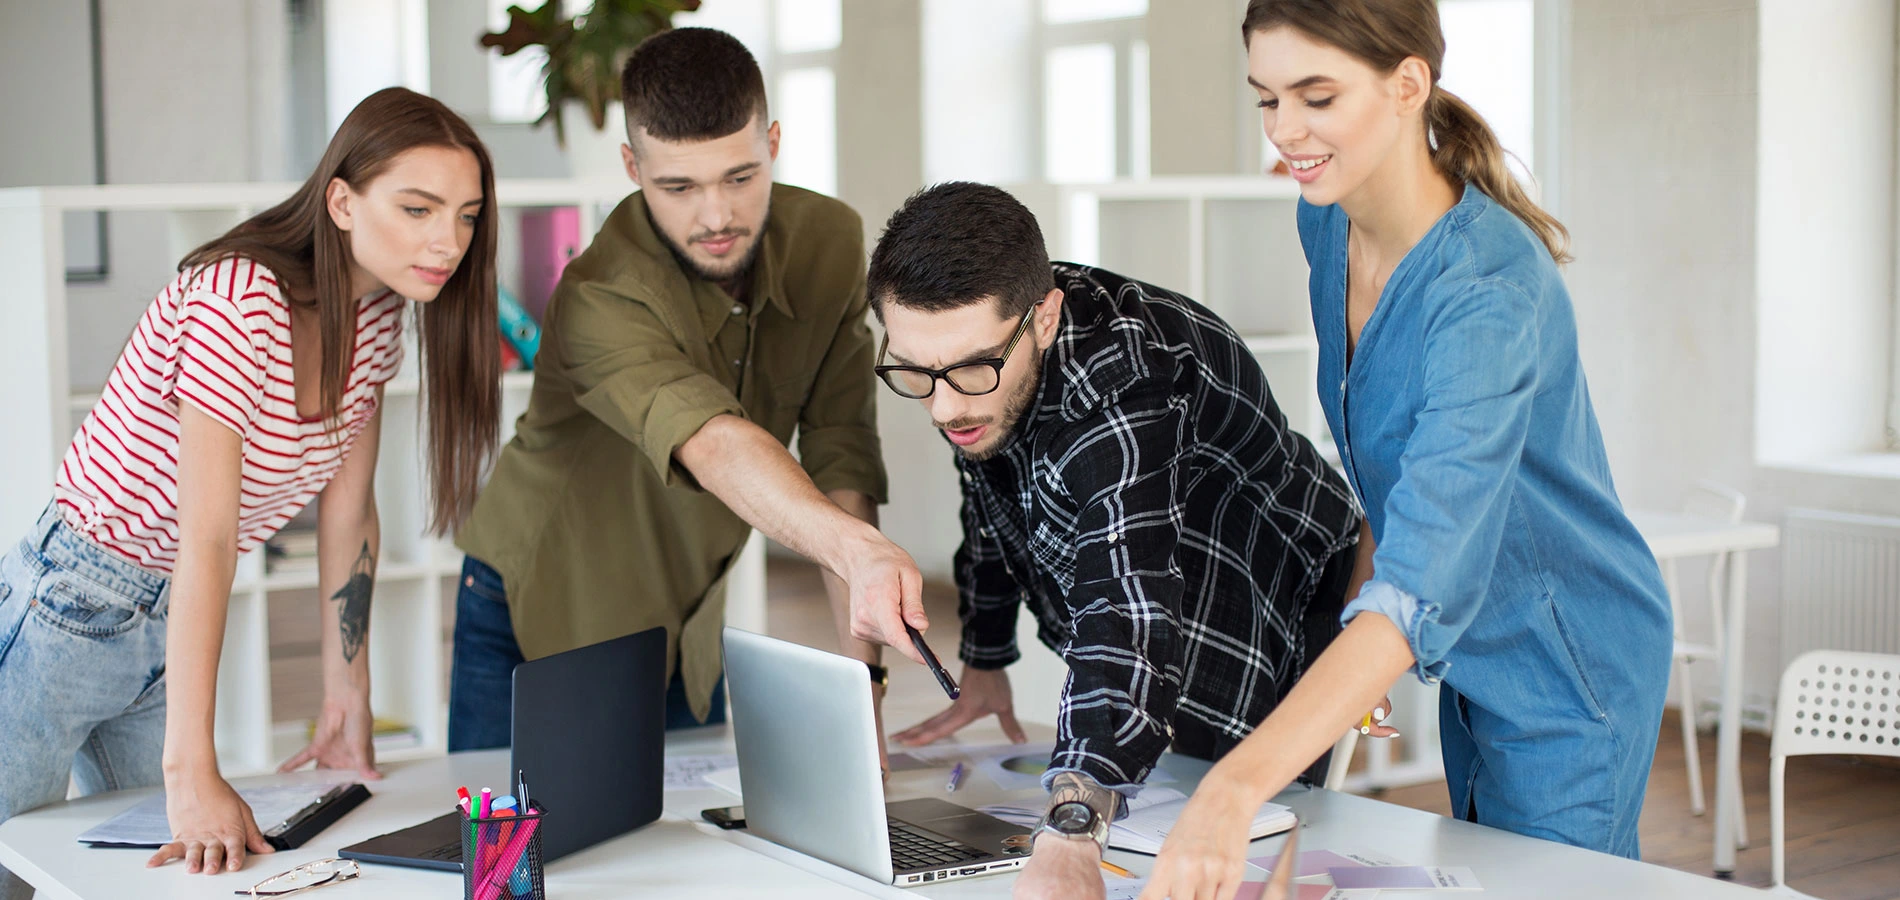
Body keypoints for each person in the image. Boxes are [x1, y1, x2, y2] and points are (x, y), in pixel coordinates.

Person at [1139, 3, 1674, 898]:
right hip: (1471, 642)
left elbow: (1425, 577)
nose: (1286, 132)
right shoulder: (1327, 223)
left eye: (1317, 96)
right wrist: (1361, 630)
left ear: (1408, 84)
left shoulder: (1488, 291)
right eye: (1267, 99)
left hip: (1566, 661)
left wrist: (1232, 790)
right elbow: (1394, 474)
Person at [0, 87, 501, 892]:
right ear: (341, 201)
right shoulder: (242, 298)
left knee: (173, 873)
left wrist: (347, 695)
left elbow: (351, 510)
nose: (449, 241)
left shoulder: (379, 321)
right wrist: (192, 766)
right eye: (418, 209)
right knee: (14, 869)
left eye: (468, 215)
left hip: (169, 624)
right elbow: (208, 532)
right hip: (70, 606)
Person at [864, 182, 1365, 900]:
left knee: (1232, 863)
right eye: (915, 372)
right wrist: (985, 657)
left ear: (1045, 318)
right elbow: (991, 490)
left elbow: (1124, 609)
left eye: (971, 370)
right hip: (1158, 613)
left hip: (1272, 607)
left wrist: (1070, 830)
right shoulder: (981, 356)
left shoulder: (1126, 379)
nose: (944, 406)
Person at [450, 27, 921, 754]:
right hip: (541, 608)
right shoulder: (596, 294)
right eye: (679, 187)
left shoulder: (829, 242)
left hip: (688, 615)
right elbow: (712, 440)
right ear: (633, 166)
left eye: (740, 176)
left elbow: (842, 454)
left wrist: (865, 697)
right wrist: (860, 553)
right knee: (514, 864)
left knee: (690, 855)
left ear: (773, 142)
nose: (716, 217)